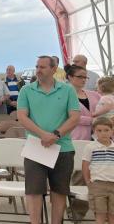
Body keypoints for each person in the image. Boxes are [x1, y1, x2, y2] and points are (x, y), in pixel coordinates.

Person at [17, 55, 80, 224]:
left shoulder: (67, 90)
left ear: (54, 69)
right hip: (36, 146)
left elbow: (74, 117)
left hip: (63, 147)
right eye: (37, 66)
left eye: (42, 67)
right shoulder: (26, 90)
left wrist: (56, 134)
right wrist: (43, 134)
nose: (38, 70)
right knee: (34, 191)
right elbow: (22, 116)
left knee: (59, 191)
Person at [65, 64, 101, 219]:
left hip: (96, 141)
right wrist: (93, 120)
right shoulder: (64, 94)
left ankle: (78, 212)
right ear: (70, 77)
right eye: (80, 76)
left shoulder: (94, 95)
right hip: (75, 139)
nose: (84, 79)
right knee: (79, 177)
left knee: (92, 177)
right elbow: (70, 117)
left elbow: (103, 111)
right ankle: (76, 214)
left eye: (85, 77)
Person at [82, 117, 114, 224]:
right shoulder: (91, 147)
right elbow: (85, 165)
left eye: (106, 130)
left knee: (112, 216)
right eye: (99, 131)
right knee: (100, 215)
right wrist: (87, 181)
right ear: (94, 132)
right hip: (98, 185)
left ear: (112, 131)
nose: (103, 133)